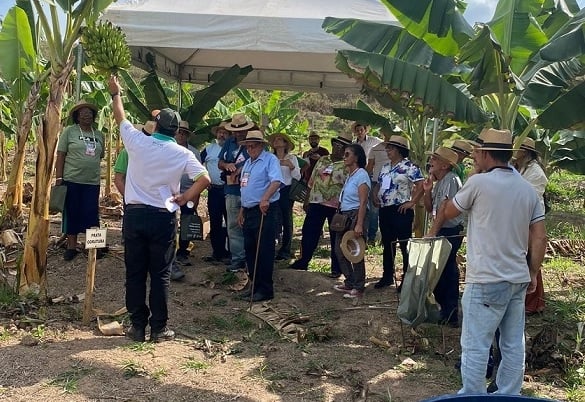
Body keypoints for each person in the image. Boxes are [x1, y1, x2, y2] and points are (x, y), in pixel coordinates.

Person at [435, 128, 546, 395]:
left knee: (476, 343)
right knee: (512, 343)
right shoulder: (527, 190)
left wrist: (472, 179)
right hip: (516, 278)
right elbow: (539, 237)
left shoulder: (478, 183)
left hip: (486, 277)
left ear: (485, 153)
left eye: (476, 151)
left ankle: (473, 395)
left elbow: (449, 212)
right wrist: (532, 272)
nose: (472, 155)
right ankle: (509, 394)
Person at [108, 75, 210, 343]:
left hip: (135, 214)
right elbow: (205, 179)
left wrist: (115, 93)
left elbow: (120, 116)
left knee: (135, 273)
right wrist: (185, 196)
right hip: (163, 216)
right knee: (160, 274)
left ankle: (137, 326)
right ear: (177, 131)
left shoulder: (137, 142)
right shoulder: (182, 153)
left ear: (156, 126)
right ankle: (159, 328)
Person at [288, 132, 352, 276]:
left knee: (336, 236)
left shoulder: (348, 165)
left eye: (341, 146)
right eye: (336, 144)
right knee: (309, 232)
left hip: (336, 205)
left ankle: (336, 268)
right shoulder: (323, 160)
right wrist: (306, 199)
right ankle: (304, 261)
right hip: (316, 202)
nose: (337, 148)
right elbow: (312, 180)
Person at [236, 131, 284, 302]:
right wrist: (242, 209)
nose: (250, 149)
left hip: (264, 209)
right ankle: (253, 285)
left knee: (263, 250)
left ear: (261, 145)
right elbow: (245, 187)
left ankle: (265, 289)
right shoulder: (248, 163)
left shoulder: (270, 160)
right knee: (250, 249)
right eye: (248, 146)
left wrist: (265, 198)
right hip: (249, 210)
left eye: (253, 145)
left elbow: (276, 181)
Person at [55, 100, 105, 261]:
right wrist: (59, 177)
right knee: (72, 212)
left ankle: (93, 247)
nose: (87, 115)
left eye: (90, 113)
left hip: (92, 181)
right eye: (83, 113)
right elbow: (61, 155)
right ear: (77, 116)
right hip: (72, 179)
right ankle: (71, 247)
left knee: (91, 213)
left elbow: (100, 155)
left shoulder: (99, 135)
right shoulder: (70, 132)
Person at [373, 135, 424, 290]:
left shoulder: (410, 167)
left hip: (401, 209)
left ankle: (407, 278)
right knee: (388, 243)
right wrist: (375, 195)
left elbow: (421, 184)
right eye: (388, 148)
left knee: (404, 244)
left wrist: (412, 202)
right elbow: (379, 183)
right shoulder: (385, 167)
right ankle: (387, 275)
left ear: (399, 150)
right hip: (385, 209)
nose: (388, 150)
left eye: (391, 148)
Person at [423, 147, 464, 326]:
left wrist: (432, 232)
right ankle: (444, 310)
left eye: (435, 159)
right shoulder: (439, 181)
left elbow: (444, 210)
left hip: (450, 230)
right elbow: (429, 208)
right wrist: (426, 190)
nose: (431, 161)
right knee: (439, 269)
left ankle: (451, 313)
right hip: (441, 229)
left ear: (445, 165)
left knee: (447, 270)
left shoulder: (451, 180)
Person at [332, 144, 370, 299]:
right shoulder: (352, 175)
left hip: (355, 214)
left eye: (347, 154)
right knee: (340, 249)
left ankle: (358, 286)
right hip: (346, 215)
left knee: (355, 251)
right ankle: (350, 282)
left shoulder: (362, 175)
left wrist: (359, 223)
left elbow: (363, 202)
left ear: (357, 157)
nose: (344, 157)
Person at [515, 137, 548, 314]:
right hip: (521, 218)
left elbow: (531, 197)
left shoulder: (535, 171)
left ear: (525, 152)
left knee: (531, 258)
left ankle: (534, 302)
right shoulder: (520, 168)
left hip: (531, 219)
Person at [219, 113, 254, 272]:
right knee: (233, 225)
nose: (238, 133)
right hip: (232, 189)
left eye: (241, 130)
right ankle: (238, 258)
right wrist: (227, 166)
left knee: (250, 225)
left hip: (250, 191)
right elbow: (220, 161)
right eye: (236, 131)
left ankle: (251, 257)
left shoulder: (254, 144)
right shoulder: (228, 142)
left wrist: (243, 169)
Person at [200, 121, 230, 263]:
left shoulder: (233, 148)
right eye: (220, 132)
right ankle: (217, 252)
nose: (222, 135)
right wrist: (203, 180)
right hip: (214, 190)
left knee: (231, 222)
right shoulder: (209, 148)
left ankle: (229, 253)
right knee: (215, 221)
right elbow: (197, 164)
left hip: (229, 190)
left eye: (225, 132)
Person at [269, 133, 301, 260]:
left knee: (286, 219)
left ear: (285, 143)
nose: (277, 141)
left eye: (279, 139)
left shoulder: (292, 158)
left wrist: (291, 166)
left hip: (286, 190)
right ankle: (273, 245)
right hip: (272, 189)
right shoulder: (270, 158)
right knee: (273, 218)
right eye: (275, 140)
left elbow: (297, 176)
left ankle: (285, 250)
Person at [175, 120, 203, 267]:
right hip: (170, 192)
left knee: (186, 221)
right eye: (179, 132)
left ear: (187, 136)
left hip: (189, 191)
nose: (181, 135)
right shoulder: (168, 148)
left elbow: (200, 175)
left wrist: (196, 196)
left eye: (183, 133)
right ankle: (169, 249)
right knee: (170, 221)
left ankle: (183, 251)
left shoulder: (194, 152)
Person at [365, 128, 395, 244]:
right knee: (374, 211)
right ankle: (371, 238)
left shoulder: (398, 150)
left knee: (387, 210)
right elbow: (370, 166)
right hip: (376, 181)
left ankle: (386, 238)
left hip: (392, 183)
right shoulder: (375, 149)